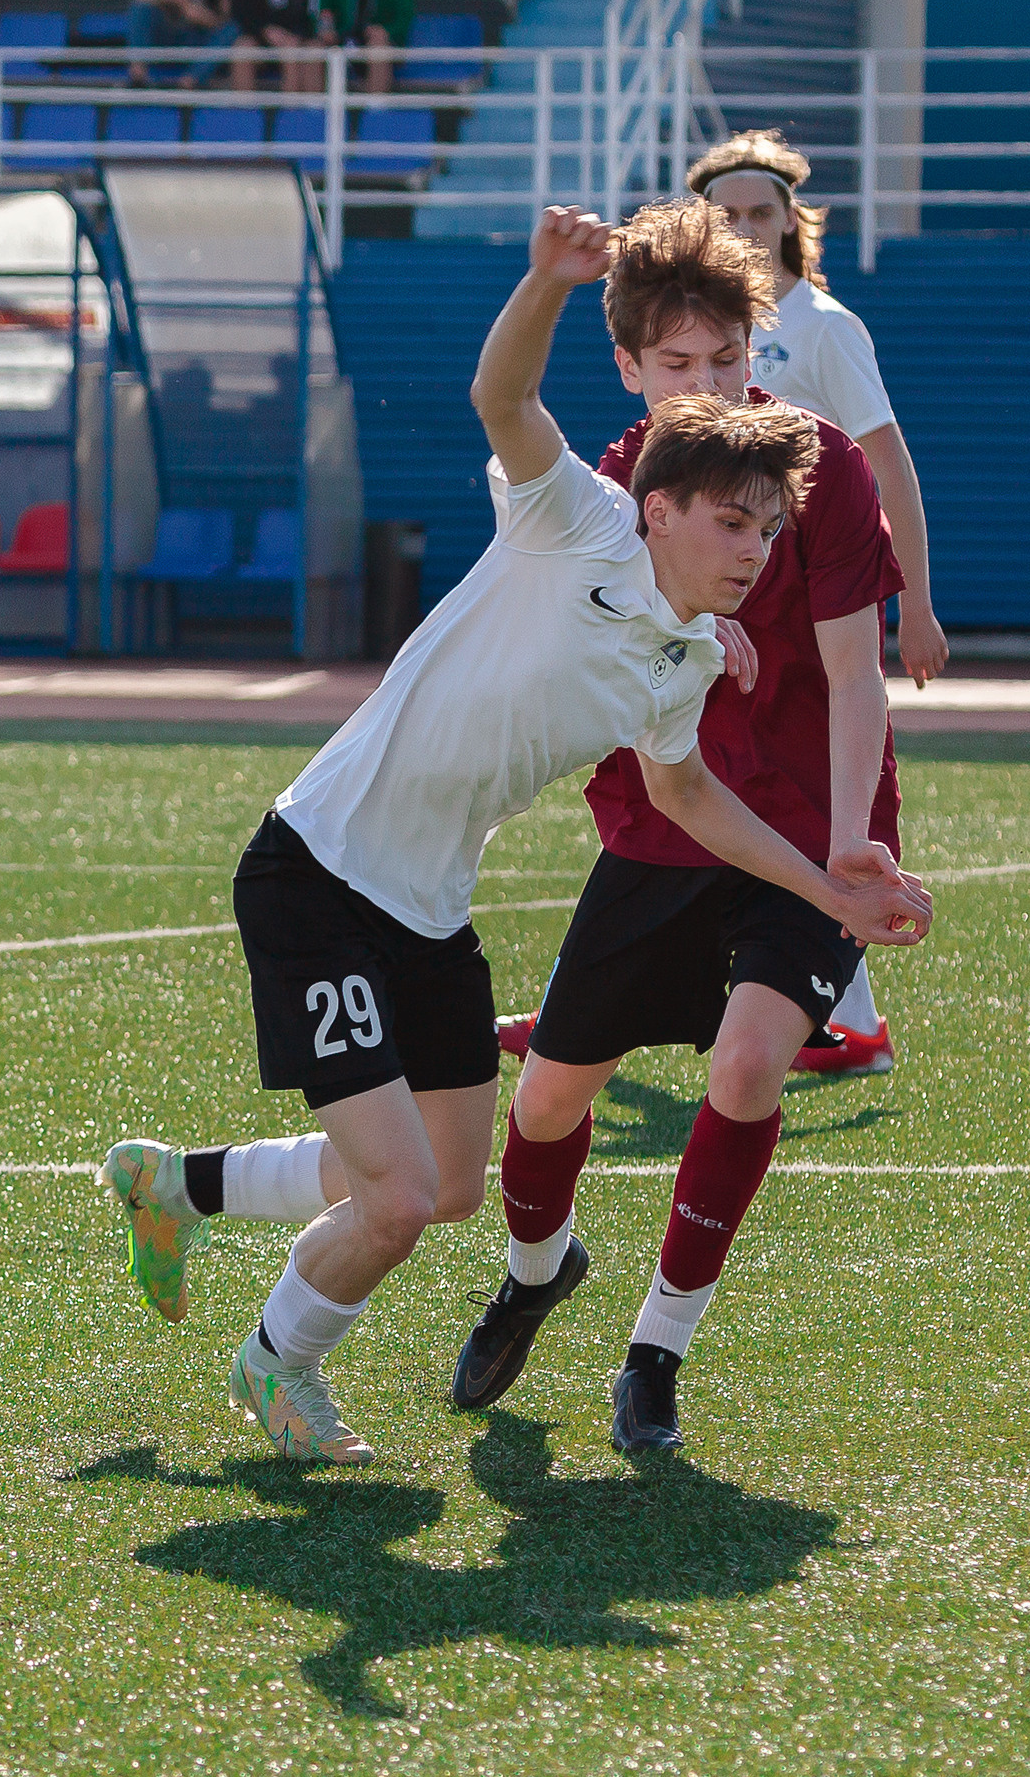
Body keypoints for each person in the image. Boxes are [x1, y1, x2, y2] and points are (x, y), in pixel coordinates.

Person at [94, 206, 932, 1466]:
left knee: (450, 1186)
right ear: (657, 506)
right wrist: (545, 282)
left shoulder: (683, 655)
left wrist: (831, 885)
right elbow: (501, 395)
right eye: (732, 525)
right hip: (316, 872)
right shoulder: (571, 520)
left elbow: (696, 800)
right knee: (393, 1200)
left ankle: (181, 1185)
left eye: (768, 530)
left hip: (429, 909)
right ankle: (277, 1366)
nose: (757, 552)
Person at [450, 197, 919, 1453]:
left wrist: (851, 851)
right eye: (679, 367)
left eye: (732, 359)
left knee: (750, 1065)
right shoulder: (613, 494)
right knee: (545, 1105)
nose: (713, 386)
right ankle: (536, 1269)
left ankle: (657, 1347)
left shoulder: (819, 466)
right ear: (630, 371)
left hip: (811, 836)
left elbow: (853, 671)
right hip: (661, 829)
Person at [690, 127, 945, 1074]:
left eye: (763, 212)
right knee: (703, 783)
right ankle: (848, 1016)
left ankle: (578, 1009)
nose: (748, 227)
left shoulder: (822, 326)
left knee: (760, 790)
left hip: (813, 602)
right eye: (729, 214)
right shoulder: (712, 334)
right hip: (737, 599)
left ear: (793, 224)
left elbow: (887, 462)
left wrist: (914, 602)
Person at [125, 0, 236, 88]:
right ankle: (138, 74)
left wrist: (187, 8)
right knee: (141, 7)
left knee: (232, 29)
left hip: (201, 42)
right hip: (168, 37)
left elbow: (221, 24)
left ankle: (190, 81)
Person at [223, 0, 322, 93]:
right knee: (243, 49)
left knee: (294, 48)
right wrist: (264, 30)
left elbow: (307, 18)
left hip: (293, 39)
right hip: (259, 39)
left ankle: (292, 106)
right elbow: (241, 14)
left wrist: (291, 35)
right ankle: (244, 107)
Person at [319, 0, 413, 96]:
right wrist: (327, 30)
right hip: (342, 38)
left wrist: (385, 31)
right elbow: (324, 13)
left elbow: (404, 20)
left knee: (378, 43)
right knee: (314, 46)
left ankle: (376, 106)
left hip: (378, 41)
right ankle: (310, 108)